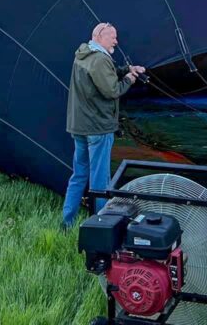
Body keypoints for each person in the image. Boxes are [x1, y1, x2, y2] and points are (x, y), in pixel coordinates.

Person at [61, 22, 145, 229]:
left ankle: (67, 223)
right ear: (99, 36)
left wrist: (126, 69)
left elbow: (105, 74)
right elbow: (112, 90)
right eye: (112, 36)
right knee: (100, 179)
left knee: (79, 175)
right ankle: (101, 226)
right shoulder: (99, 59)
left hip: (79, 127)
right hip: (98, 128)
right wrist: (129, 79)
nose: (116, 40)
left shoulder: (84, 54)